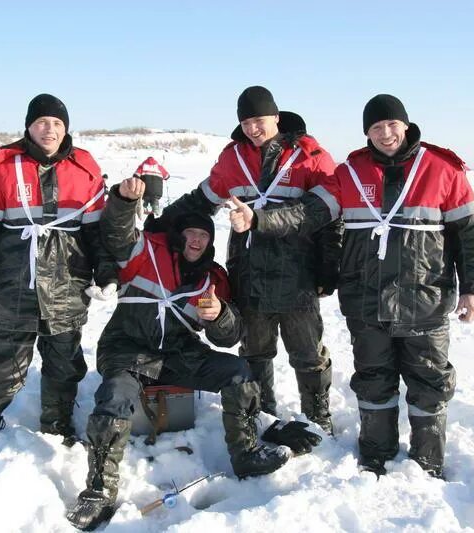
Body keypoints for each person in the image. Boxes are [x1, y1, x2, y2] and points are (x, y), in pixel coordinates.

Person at [229, 94, 474, 478]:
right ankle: (375, 455)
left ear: (405, 124)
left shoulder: (441, 169)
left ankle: (428, 462)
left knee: (429, 384)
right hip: (366, 301)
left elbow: (471, 234)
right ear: (366, 132)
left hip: (426, 300)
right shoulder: (349, 172)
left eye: (392, 125)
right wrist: (259, 221)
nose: (385, 134)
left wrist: (473, 288)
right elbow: (308, 213)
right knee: (372, 381)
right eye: (376, 127)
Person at [67, 178, 318, 531]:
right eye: (191, 234)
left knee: (238, 371)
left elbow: (231, 336)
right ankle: (99, 490)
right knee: (114, 396)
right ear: (179, 236)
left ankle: (245, 454)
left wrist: (220, 315)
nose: (197, 240)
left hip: (179, 355)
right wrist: (123, 201)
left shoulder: (211, 278)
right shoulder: (146, 252)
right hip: (128, 351)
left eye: (205, 236)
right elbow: (116, 233)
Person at [145, 86, 342, 434]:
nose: (253, 129)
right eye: (246, 122)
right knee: (255, 351)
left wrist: (328, 266)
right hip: (249, 272)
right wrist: (160, 223)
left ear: (276, 118)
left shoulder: (309, 156)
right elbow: (200, 201)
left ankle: (318, 417)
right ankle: (263, 414)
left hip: (298, 275)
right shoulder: (233, 159)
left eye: (259, 120)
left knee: (307, 353)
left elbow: (324, 213)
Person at [0, 93, 118, 462]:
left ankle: (57, 427)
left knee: (64, 364)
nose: (50, 129)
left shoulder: (86, 169)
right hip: (13, 285)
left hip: (68, 286)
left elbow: (98, 235)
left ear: (66, 129)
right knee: (1, 364)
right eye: (42, 121)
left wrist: (108, 273)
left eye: (58, 123)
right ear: (29, 126)